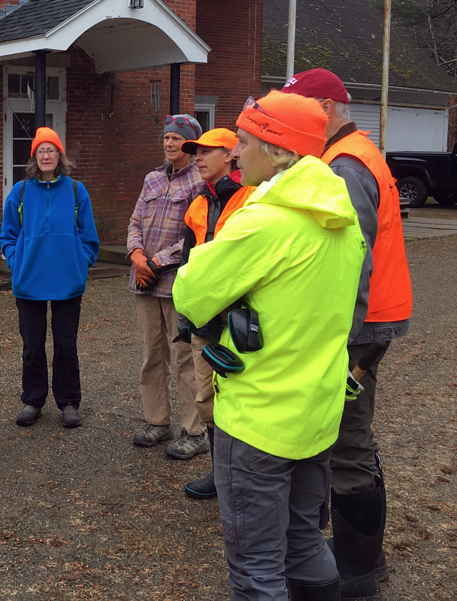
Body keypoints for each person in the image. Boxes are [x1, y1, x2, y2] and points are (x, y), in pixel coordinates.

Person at [173, 91, 366, 601]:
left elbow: (189, 292)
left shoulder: (265, 221)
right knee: (303, 540)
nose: (235, 152)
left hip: (259, 418)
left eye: (246, 141)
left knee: (256, 567)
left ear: (279, 152)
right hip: (316, 413)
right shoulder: (341, 220)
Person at [281, 68, 413, 599]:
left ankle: (357, 570)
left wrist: (335, 336)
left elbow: (350, 261)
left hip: (358, 328)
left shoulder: (343, 166)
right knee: (354, 438)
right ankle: (366, 558)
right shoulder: (355, 154)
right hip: (373, 321)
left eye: (299, 110)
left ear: (327, 109)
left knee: (347, 443)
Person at [172, 128, 256, 497]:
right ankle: (221, 475)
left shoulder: (251, 198)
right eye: (197, 152)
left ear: (231, 154)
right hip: (205, 322)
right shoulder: (197, 205)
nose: (199, 157)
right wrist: (187, 318)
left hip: (239, 321)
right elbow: (189, 268)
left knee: (242, 399)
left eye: (207, 150)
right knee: (206, 397)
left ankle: (244, 476)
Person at [0, 127, 99, 429]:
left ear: (59, 156)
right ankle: (33, 399)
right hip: (29, 283)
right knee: (32, 344)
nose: (46, 155)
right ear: (34, 157)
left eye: (51, 150)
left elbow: (90, 238)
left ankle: (69, 401)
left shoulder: (75, 190)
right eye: (41, 150)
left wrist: (79, 264)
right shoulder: (21, 191)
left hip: (67, 283)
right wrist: (18, 264)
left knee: (66, 344)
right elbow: (8, 236)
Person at [126, 115, 208, 459]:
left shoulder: (200, 182)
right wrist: (136, 254)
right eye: (167, 138)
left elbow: (192, 236)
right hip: (143, 282)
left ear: (190, 144)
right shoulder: (152, 179)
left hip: (175, 285)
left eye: (177, 138)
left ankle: (195, 430)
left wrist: (156, 263)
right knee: (152, 356)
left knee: (185, 358)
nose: (170, 143)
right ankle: (157, 421)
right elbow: (134, 222)